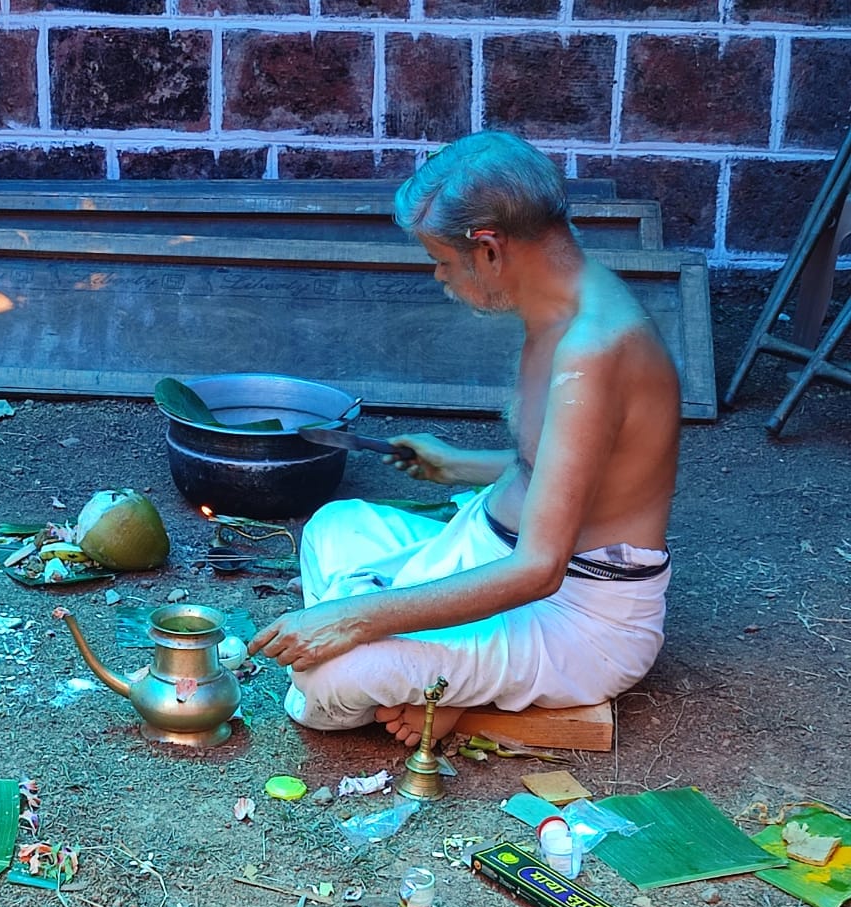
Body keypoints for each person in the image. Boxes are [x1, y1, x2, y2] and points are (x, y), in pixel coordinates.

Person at [247, 130, 680, 747]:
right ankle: (437, 674)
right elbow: (572, 466)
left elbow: (539, 570)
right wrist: (459, 466)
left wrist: (354, 618)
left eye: (444, 261)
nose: (438, 275)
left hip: (574, 613)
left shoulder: (595, 350)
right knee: (334, 526)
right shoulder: (564, 303)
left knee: (323, 684)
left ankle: (455, 697)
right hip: (488, 543)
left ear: (489, 249)